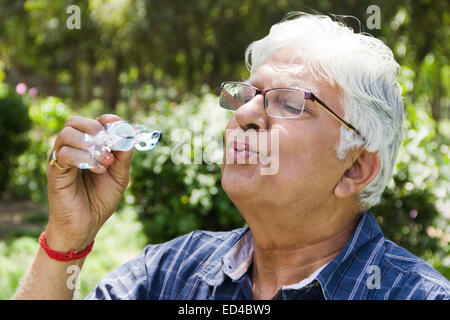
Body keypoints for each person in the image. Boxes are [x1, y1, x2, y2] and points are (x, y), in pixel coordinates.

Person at [14, 12, 449, 300]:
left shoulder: (412, 294)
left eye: (289, 102)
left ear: (355, 167)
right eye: (246, 95)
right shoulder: (168, 275)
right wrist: (66, 241)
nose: (243, 114)